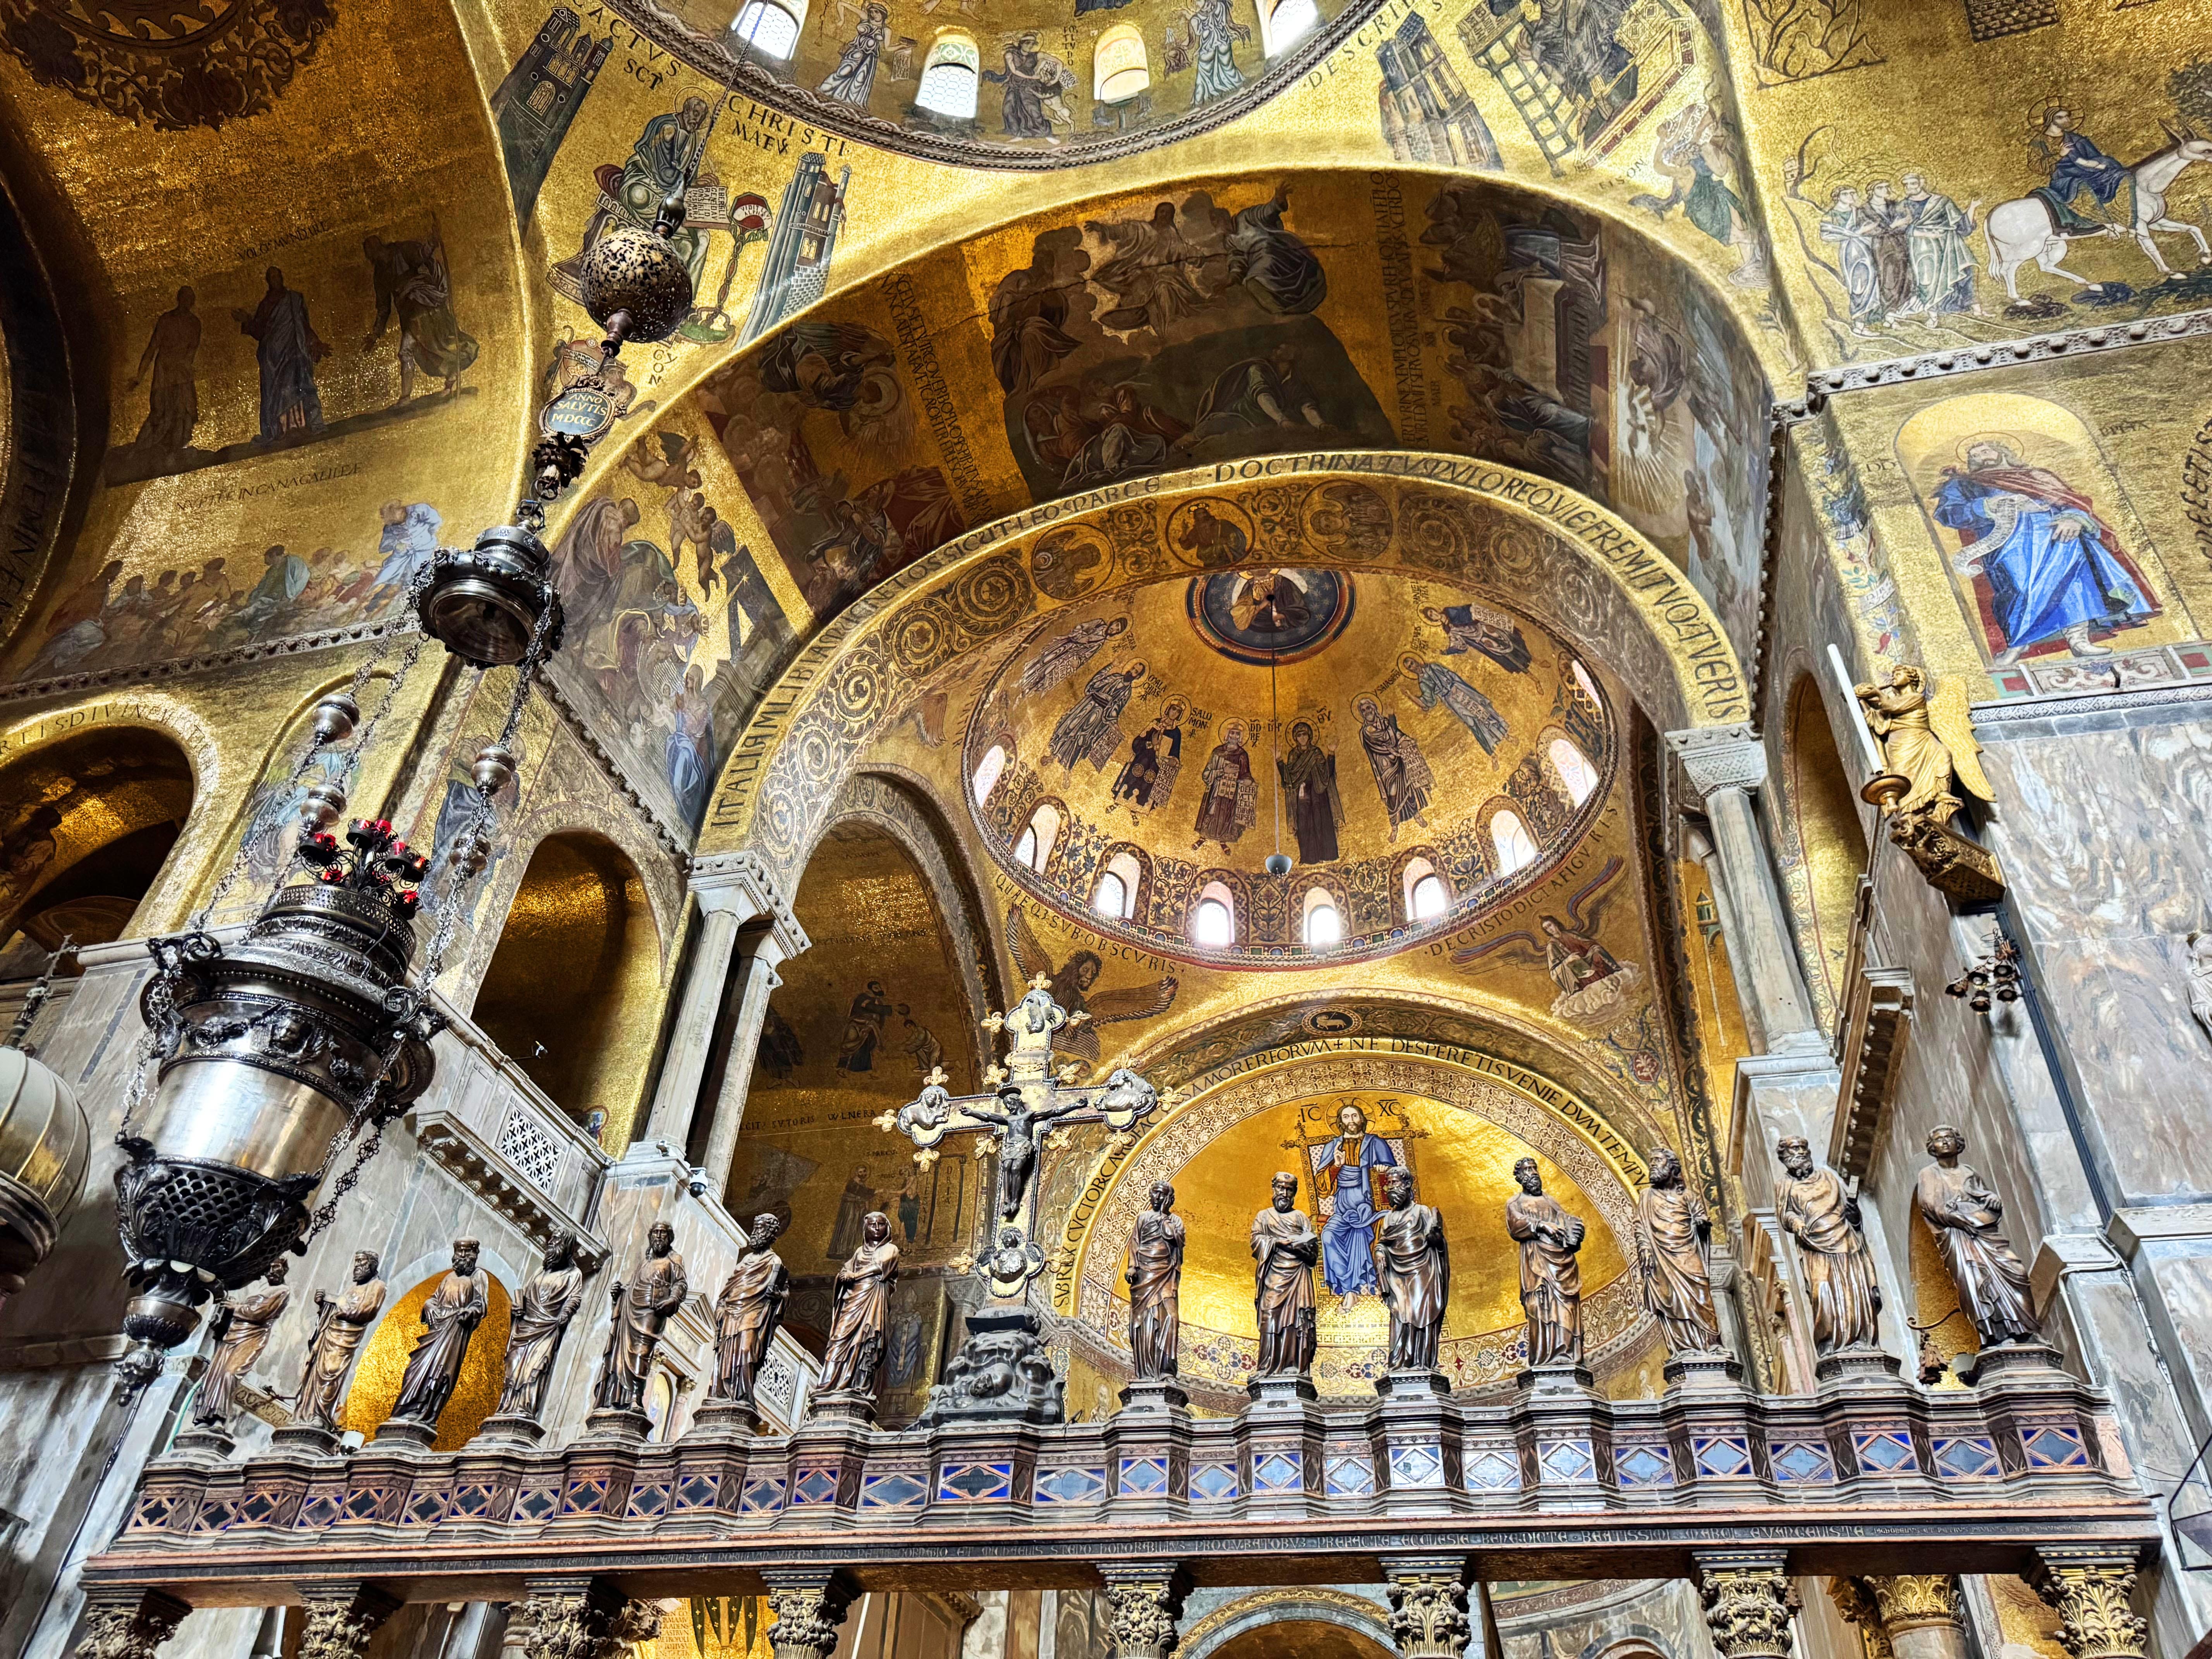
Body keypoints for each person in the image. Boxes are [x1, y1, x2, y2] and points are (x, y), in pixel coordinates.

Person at [1931, 437, 2152, 662]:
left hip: (2056, 532)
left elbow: (2071, 501)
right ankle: (2017, 643)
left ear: (2002, 452)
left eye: (1985, 451)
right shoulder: (1965, 484)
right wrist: (1986, 506)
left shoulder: (2037, 476)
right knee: (2019, 587)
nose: (1980, 457)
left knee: (2072, 580)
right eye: (1975, 456)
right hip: (2008, 542)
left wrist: (2073, 518)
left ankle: (2079, 640)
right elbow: (1948, 513)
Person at [1915, 1125, 2041, 1347]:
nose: (1945, 1142)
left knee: (2017, 1272)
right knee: (1976, 1281)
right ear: (1932, 1148)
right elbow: (1930, 1205)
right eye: (1939, 1139)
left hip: (1984, 1234)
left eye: (1949, 1137)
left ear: (1958, 1143)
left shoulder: (1969, 1172)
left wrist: (1993, 1199)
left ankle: (2026, 1330)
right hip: (1958, 1237)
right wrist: (1959, 1220)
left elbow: (1984, 1199)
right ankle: (1997, 1336)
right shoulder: (1929, 1174)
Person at [1775, 1137, 1883, 1354]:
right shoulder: (1785, 1185)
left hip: (1845, 1242)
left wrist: (1854, 1214)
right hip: (1814, 1247)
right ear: (1785, 1156)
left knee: (1855, 1290)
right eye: (1795, 1149)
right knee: (1822, 1292)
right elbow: (1785, 1214)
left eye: (1803, 1148)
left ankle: (1863, 1342)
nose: (1801, 1152)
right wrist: (1796, 1223)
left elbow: (1851, 1213)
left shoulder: (1828, 1177)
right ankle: (1831, 1344)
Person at [362, 225, 479, 401]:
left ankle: (406, 398)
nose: (371, 258)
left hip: (426, 307)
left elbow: (421, 255)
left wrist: (432, 242)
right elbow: (384, 307)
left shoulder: (402, 250)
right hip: (409, 314)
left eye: (371, 253)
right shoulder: (380, 274)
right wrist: (375, 334)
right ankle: (445, 383)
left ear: (378, 248)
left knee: (422, 348)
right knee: (430, 351)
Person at [389, 1238, 490, 1429]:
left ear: (474, 1255)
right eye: (459, 1252)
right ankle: (404, 1413)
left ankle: (423, 1414)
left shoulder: (479, 1276)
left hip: (454, 1332)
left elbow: (481, 1305)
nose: (462, 1256)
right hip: (436, 1330)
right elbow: (435, 1298)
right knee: (414, 1370)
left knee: (439, 1373)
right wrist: (429, 1304)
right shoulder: (449, 1277)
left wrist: (469, 1312)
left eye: (466, 1252)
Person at [592, 1221, 687, 1413]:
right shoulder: (645, 1262)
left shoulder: (674, 1259)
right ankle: (617, 1398)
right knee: (621, 1353)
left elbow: (681, 1284)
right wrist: (620, 1292)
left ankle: (635, 1397)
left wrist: (673, 1299)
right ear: (650, 1236)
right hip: (631, 1309)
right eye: (655, 1233)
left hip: (652, 1311)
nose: (658, 1237)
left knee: (641, 1353)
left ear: (669, 1238)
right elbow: (633, 1285)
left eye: (663, 1233)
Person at [1633, 1149, 1721, 1355]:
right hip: (1661, 1256)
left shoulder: (1687, 1195)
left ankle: (1711, 1343)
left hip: (1687, 1252)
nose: (1653, 1165)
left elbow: (1700, 1217)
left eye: (1658, 1161)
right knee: (1672, 1301)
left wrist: (1701, 1224)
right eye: (1652, 1161)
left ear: (1673, 1168)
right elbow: (1640, 1226)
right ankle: (1684, 1347)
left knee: (1702, 1296)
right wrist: (1645, 1248)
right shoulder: (1646, 1196)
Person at [494, 1231, 586, 1422]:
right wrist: (518, 1308)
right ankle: (506, 1407)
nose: (551, 1243)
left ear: (567, 1247)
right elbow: (525, 1294)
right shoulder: (539, 1272)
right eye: (552, 1239)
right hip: (525, 1327)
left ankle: (524, 1409)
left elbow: (575, 1298)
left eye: (557, 1240)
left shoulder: (573, 1274)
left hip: (547, 1328)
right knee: (513, 1368)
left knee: (535, 1369)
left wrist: (565, 1313)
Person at [1505, 1157, 1585, 1368]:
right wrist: (1541, 1226)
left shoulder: (1550, 1200)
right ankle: (1545, 1357)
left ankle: (1568, 1354)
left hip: (1562, 1266)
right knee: (1540, 1306)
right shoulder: (1515, 1203)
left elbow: (1567, 1224)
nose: (1533, 1173)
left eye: (1534, 1168)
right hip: (1537, 1264)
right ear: (1520, 1177)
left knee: (1567, 1308)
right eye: (1527, 1170)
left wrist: (1576, 1231)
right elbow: (1516, 1226)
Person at [294, 1251, 387, 1432]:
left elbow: (363, 1312)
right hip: (330, 1334)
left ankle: (320, 1417)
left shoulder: (378, 1287)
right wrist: (324, 1303)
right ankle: (308, 1414)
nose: (357, 1267)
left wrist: (335, 1300)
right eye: (356, 1262)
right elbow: (339, 1308)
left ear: (372, 1266)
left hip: (345, 1339)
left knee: (331, 1373)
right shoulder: (352, 1288)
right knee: (316, 1373)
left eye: (362, 1262)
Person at [233, 266, 328, 442]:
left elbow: (304, 325)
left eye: (278, 276)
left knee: (297, 385)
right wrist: (247, 320)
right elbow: (259, 331)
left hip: (294, 350)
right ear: (269, 281)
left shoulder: (294, 299)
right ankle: (284, 428)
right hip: (274, 356)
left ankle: (301, 426)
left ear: (282, 278)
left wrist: (316, 343)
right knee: (281, 391)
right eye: (272, 277)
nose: (276, 280)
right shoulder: (266, 305)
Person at [193, 1261, 290, 1431]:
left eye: (276, 1268)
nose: (272, 1272)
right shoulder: (261, 1287)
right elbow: (248, 1307)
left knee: (230, 1374)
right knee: (215, 1374)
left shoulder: (283, 1291)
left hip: (253, 1336)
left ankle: (219, 1418)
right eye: (269, 1268)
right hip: (235, 1332)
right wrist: (233, 1306)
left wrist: (236, 1307)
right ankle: (206, 1417)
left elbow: (260, 1313)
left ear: (284, 1270)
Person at [1317, 1103, 1397, 1304]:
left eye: (1355, 1116)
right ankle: (1349, 1291)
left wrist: (1384, 1170)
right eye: (1346, 1117)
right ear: (1340, 1122)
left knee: (1367, 1232)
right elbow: (1321, 1187)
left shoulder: (1376, 1144)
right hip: (1343, 1208)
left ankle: (1382, 1289)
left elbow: (1397, 1179)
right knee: (1328, 1236)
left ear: (1363, 1119)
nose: (1351, 1121)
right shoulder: (1333, 1147)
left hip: (1372, 1207)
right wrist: (1336, 1166)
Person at [712, 1214, 792, 1411]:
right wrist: (721, 1306)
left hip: (755, 1312)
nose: (756, 1233)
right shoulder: (745, 1261)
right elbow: (729, 1289)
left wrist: (779, 1296)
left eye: (761, 1229)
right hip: (732, 1311)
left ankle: (742, 1395)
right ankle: (723, 1394)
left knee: (746, 1350)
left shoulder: (774, 1261)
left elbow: (785, 1292)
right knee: (726, 1354)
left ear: (771, 1235)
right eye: (755, 1228)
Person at [817, 1211, 900, 1399]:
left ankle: (857, 1386)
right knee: (838, 1339)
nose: (877, 1228)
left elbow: (881, 1266)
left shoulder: (890, 1249)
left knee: (865, 1342)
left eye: (881, 1224)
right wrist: (844, 1275)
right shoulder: (859, 1252)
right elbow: (847, 1269)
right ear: (865, 1228)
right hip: (853, 1301)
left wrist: (855, 1275)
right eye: (872, 1225)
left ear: (887, 1228)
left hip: (873, 1301)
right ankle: (829, 1385)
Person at [1378, 1167, 1449, 1372]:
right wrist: (1380, 1253)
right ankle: (1401, 1361)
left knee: (1422, 1312)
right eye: (1389, 1184)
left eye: (1395, 1183)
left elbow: (1436, 1241)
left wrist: (1436, 1236)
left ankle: (1422, 1362)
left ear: (1408, 1184)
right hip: (1397, 1273)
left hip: (1422, 1271)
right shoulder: (1388, 1219)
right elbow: (1383, 1243)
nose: (1391, 1188)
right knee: (1401, 1314)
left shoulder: (1422, 1211)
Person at [1250, 1171, 1318, 1379]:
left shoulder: (1301, 1218)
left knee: (1297, 1321)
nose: (1285, 1194)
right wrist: (1279, 1243)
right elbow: (1256, 1241)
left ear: (1295, 1193)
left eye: (1290, 1190)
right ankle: (1266, 1368)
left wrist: (1300, 1247)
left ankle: (1296, 1367)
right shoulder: (1264, 1216)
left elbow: (1313, 1254)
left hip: (1298, 1277)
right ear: (1274, 1189)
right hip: (1274, 1275)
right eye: (1281, 1188)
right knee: (1270, 1316)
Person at [124, 287, 202, 459]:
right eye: (185, 298)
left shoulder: (195, 323)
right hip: (164, 372)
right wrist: (139, 376)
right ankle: (138, 449)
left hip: (181, 373)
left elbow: (191, 352)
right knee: (159, 412)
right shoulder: (166, 320)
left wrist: (183, 367)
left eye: (191, 299)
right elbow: (152, 348)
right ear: (179, 299)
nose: (188, 302)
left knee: (182, 413)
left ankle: (173, 452)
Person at [1225, 184, 1325, 314]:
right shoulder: (1229, 241)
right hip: (1259, 261)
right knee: (1252, 283)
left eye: (1220, 219)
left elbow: (1263, 213)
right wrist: (1233, 276)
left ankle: (1281, 310)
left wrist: (1276, 202)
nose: (1220, 225)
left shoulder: (1245, 217)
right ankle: (1279, 311)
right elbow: (1236, 260)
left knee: (1259, 274)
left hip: (1273, 250)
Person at [2032, 107, 2128, 236]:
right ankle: (2106, 225)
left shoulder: (2076, 139)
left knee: (2118, 177)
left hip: (2087, 172)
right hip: (2063, 178)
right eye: (2060, 117)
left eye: (2067, 116)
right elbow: (2037, 167)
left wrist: (2100, 165)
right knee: (2081, 186)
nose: (2066, 120)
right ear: (2050, 120)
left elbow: (2094, 157)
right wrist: (2059, 155)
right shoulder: (2039, 142)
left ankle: (2125, 215)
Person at [1898, 172, 1982, 319]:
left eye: (1913, 183)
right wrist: (1926, 234)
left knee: (1967, 269)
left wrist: (1972, 207)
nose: (1910, 187)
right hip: (1922, 246)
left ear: (1922, 183)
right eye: (1906, 185)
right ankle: (1933, 309)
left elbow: (1962, 226)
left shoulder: (1942, 201)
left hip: (1948, 242)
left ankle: (1976, 308)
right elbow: (1899, 229)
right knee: (1927, 278)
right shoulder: (1903, 205)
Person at [1126, 1181, 1185, 1379]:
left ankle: (1166, 1371)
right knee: (1146, 1322)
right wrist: (1133, 1266)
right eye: (1155, 1193)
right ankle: (1146, 1372)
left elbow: (1174, 1238)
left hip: (1166, 1274)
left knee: (1170, 1318)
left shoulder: (1175, 1221)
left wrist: (1164, 1217)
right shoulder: (1143, 1218)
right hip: (1145, 1275)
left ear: (1170, 1199)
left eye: (1162, 1194)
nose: (1158, 1198)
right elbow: (1135, 1243)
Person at [1354, 695, 1432, 839]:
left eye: (1368, 708)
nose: (1367, 712)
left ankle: (1417, 815)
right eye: (1363, 711)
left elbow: (1397, 735)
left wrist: (1405, 740)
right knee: (1392, 795)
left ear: (1374, 708)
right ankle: (1394, 827)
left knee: (1409, 787)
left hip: (1398, 761)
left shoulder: (1385, 722)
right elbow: (1388, 739)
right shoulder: (1366, 732)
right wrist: (1392, 718)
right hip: (1385, 768)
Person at [1402, 654, 1508, 754]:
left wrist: (1459, 685)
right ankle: (1492, 744)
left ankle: (1502, 729)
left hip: (1459, 689)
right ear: (1409, 671)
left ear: (1416, 660)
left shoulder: (1434, 667)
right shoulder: (1423, 683)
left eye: (1412, 663)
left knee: (1480, 707)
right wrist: (1410, 696)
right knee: (1470, 721)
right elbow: (1429, 702)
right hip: (1450, 700)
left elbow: (1451, 675)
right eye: (1410, 667)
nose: (1413, 666)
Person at [1049, 661, 1146, 770]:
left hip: (1100, 714)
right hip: (1089, 704)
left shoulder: (1127, 693)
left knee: (1082, 738)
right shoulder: (1115, 677)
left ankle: (1067, 764)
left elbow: (1117, 708)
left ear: (1138, 677)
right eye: (1133, 668)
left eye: (1135, 672)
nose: (1131, 671)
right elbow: (1097, 683)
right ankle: (1054, 753)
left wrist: (1114, 723)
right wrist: (1110, 666)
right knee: (1071, 726)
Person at [1819, 188, 1881, 339]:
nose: (1852, 196)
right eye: (1846, 194)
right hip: (1850, 253)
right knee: (1857, 286)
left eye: (1853, 193)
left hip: (1865, 250)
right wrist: (1853, 234)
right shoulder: (1830, 215)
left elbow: (1875, 226)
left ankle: (1864, 324)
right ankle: (1859, 326)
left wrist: (1863, 232)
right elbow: (1825, 236)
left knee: (1870, 284)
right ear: (1837, 197)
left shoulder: (1858, 212)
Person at [1277, 721, 1342, 865]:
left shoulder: (1316, 752)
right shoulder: (1294, 755)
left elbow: (1327, 774)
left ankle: (1326, 854)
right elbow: (1289, 778)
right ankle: (1308, 857)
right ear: (1295, 738)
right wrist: (1279, 760)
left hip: (1318, 792)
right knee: (1304, 823)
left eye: (1305, 735)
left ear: (1310, 736)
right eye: (1299, 735)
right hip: (1302, 792)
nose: (1302, 738)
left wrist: (1331, 753)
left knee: (1320, 821)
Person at [1191, 722, 1256, 852]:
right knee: (1212, 811)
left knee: (1227, 814)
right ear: (1228, 734)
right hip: (1216, 788)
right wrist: (1222, 771)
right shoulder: (1218, 752)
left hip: (1232, 791)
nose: (1234, 736)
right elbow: (1206, 774)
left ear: (1240, 737)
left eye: (1237, 734)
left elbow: (1246, 774)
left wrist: (1248, 781)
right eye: (1232, 733)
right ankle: (1203, 837)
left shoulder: (1242, 755)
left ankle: (1223, 840)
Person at [818, 4, 888, 106]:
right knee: (843, 72)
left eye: (877, 12)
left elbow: (888, 48)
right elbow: (841, 3)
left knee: (860, 80)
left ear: (883, 13)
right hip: (856, 52)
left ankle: (846, 99)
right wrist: (842, 20)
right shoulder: (865, 17)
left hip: (869, 59)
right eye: (872, 12)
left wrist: (903, 47)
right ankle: (825, 89)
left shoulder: (887, 30)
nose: (874, 14)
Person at [1541, 914, 1621, 996]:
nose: (1550, 929)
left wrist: (1590, 952)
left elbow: (1589, 944)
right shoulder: (1552, 946)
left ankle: (1616, 971)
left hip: (1586, 959)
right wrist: (1568, 960)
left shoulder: (1571, 934)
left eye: (1550, 925)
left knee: (1597, 949)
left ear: (1555, 923)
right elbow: (1554, 972)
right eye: (1546, 928)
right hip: (1575, 969)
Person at [837, 982, 893, 1072]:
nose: (879, 990)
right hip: (857, 1024)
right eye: (876, 988)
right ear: (870, 989)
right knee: (849, 1045)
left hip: (868, 1028)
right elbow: (871, 1007)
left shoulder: (878, 1001)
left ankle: (860, 1068)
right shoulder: (863, 998)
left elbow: (880, 1017)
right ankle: (842, 1068)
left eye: (880, 988)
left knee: (864, 1047)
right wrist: (891, 1009)